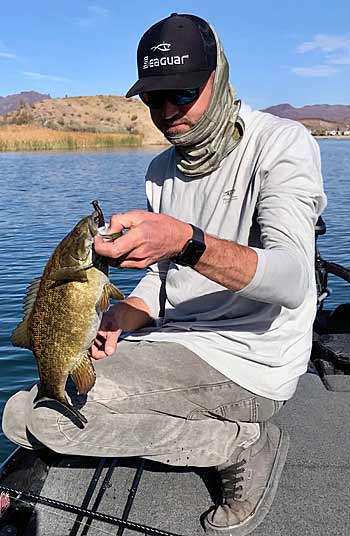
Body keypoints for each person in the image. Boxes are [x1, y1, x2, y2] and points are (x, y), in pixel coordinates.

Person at [3, 13, 327, 536]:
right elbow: (164, 278)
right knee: (19, 414)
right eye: (154, 100)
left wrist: (184, 240)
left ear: (217, 78)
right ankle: (209, 427)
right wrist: (123, 314)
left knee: (41, 420)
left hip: (251, 360)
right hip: (175, 339)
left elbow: (291, 281)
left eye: (181, 94)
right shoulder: (161, 170)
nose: (167, 113)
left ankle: (241, 443)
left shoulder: (283, 145)